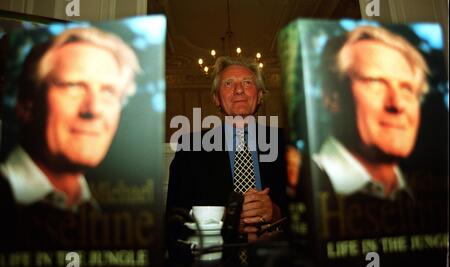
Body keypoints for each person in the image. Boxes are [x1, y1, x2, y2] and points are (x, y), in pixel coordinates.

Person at [0, 27, 140, 249]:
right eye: (73, 85)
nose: (93, 109)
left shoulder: (108, 215)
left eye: (108, 92)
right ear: (26, 104)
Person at [166, 56, 287, 246]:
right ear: (216, 99)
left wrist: (276, 213)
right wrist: (226, 222)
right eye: (228, 84)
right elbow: (174, 220)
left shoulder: (287, 143)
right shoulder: (190, 147)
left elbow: (313, 215)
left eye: (247, 83)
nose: (239, 90)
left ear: (260, 95)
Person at [313, 25, 429, 200]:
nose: (397, 104)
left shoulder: (426, 196)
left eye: (407, 89)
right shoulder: (306, 182)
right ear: (332, 98)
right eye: (375, 82)